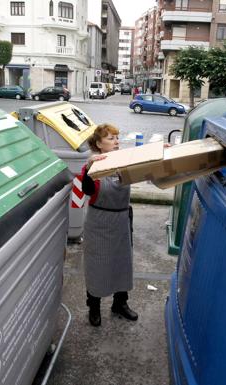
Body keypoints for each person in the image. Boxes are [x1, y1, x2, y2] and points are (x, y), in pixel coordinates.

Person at [80, 124, 138, 327]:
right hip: (99, 224)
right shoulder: (93, 165)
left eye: (117, 137)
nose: (116, 141)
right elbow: (87, 190)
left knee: (122, 265)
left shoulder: (125, 161)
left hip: (121, 221)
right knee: (97, 268)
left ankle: (120, 304)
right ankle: (94, 308)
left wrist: (161, 152)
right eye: (111, 138)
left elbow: (149, 169)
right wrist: (88, 169)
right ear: (98, 144)